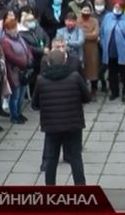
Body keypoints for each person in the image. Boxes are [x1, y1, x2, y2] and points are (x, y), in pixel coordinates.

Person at [33, 50, 90, 184]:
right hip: (73, 125)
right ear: (65, 61)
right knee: (76, 158)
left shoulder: (41, 80)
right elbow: (87, 97)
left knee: (51, 159)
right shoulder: (75, 77)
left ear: (49, 62)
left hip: (51, 126)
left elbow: (35, 104)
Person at [100, 0, 125, 102]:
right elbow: (102, 32)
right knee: (112, 73)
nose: (117, 9)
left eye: (119, 7)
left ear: (123, 8)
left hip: (122, 52)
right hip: (110, 51)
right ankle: (114, 92)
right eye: (115, 7)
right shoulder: (107, 17)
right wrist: (103, 44)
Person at [1, 19, 34, 124]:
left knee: (21, 94)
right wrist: (24, 63)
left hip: (23, 72)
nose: (15, 30)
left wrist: (30, 59)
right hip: (13, 72)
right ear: (6, 29)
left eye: (15, 27)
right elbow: (11, 56)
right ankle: (14, 115)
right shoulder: (5, 41)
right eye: (12, 28)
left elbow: (27, 49)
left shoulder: (19, 38)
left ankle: (19, 113)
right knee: (15, 95)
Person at [77, 4, 101, 97]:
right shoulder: (78, 21)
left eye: (88, 11)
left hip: (92, 48)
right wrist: (90, 34)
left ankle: (94, 89)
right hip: (81, 47)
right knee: (82, 69)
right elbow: (78, 32)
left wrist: (83, 34)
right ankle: (83, 90)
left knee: (93, 69)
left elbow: (96, 34)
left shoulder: (94, 21)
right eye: (84, 10)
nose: (86, 12)